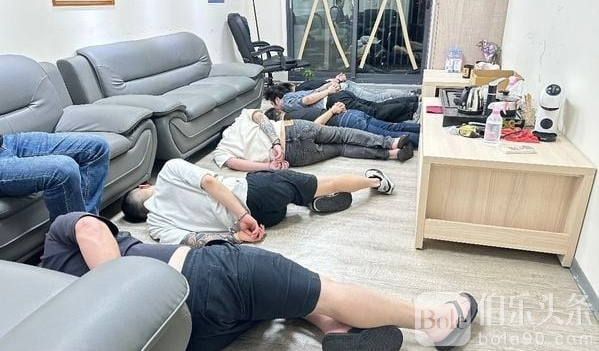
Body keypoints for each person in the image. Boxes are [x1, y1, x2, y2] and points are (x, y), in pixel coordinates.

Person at [41, 211, 479, 351]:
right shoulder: (58, 238)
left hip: (196, 335)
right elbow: (90, 227)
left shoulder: (47, 311)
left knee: (284, 300)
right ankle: (436, 321)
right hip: (202, 278)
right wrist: (126, 306)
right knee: (323, 287)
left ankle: (335, 329)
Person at [120, 159, 396, 246]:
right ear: (143, 187)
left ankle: (308, 202)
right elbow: (210, 183)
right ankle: (377, 182)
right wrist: (242, 214)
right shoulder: (168, 172)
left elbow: (193, 240)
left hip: (263, 222)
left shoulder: (155, 227)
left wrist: (237, 236)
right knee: (328, 182)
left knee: (286, 200)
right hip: (255, 194)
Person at [213, 109, 414, 172]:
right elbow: (262, 118)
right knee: (342, 134)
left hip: (292, 156)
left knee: (341, 149)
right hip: (290, 128)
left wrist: (270, 167)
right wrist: (275, 141)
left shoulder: (220, 152)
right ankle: (391, 142)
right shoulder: (240, 119)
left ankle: (391, 154)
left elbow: (237, 164)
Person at [0, 132, 110, 221]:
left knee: (97, 147)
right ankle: (74, 238)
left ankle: (88, 227)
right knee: (63, 169)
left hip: (5, 142)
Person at [264, 102, 420, 148]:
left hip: (344, 120)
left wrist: (332, 111)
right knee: (392, 127)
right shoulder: (296, 111)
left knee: (389, 135)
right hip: (351, 114)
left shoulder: (292, 119)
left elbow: (315, 125)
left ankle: (425, 143)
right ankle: (425, 131)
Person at [264, 78, 419, 123]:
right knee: (376, 105)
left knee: (375, 112)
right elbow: (315, 91)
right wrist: (331, 86)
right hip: (340, 95)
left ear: (277, 99)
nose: (276, 107)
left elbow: (308, 99)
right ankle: (413, 101)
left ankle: (413, 109)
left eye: (273, 104)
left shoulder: (287, 102)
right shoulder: (295, 93)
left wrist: (329, 91)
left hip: (334, 100)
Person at [297, 73, 418, 103]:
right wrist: (337, 79)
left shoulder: (301, 90)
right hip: (346, 84)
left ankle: (411, 95)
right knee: (378, 95)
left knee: (377, 98)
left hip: (343, 88)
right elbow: (326, 81)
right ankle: (410, 94)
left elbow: (320, 89)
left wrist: (335, 82)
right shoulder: (305, 83)